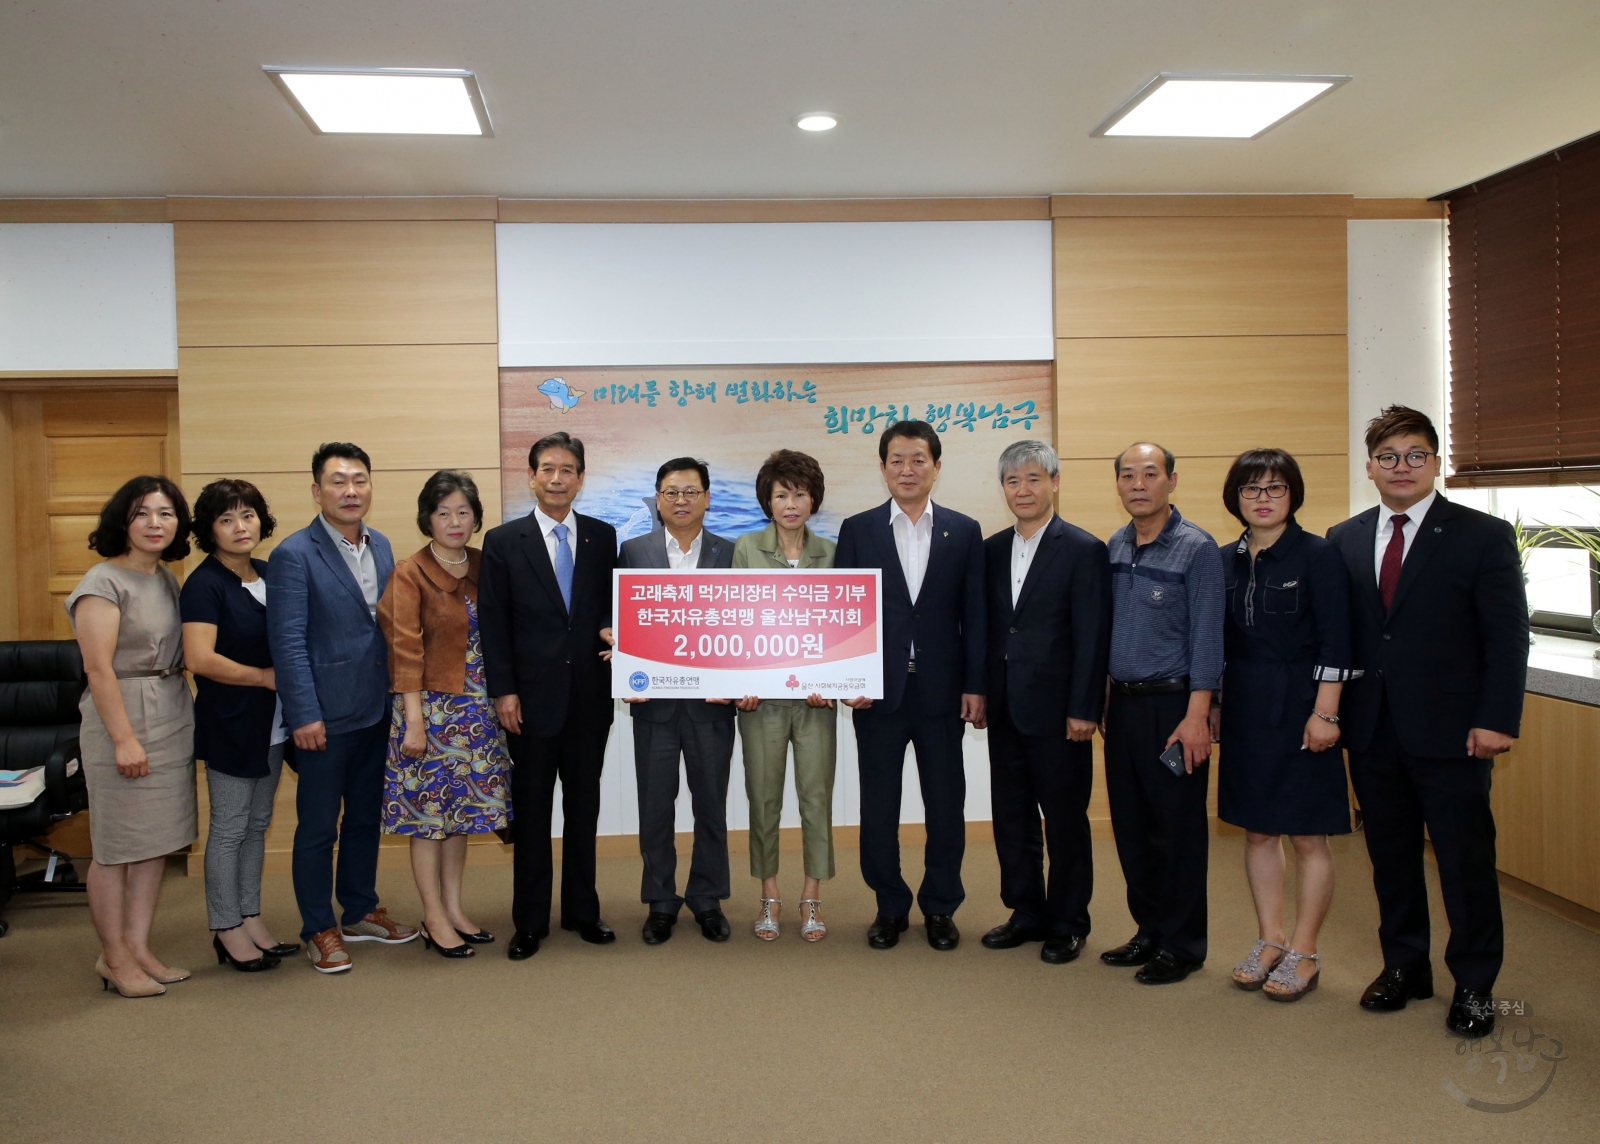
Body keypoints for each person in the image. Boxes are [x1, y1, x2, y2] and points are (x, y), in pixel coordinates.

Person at [1328, 406, 1528, 1037]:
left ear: (1436, 462)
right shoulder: (1345, 537)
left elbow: (1507, 638)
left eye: (1416, 454)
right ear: (1370, 467)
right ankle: (1405, 967)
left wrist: (1497, 718)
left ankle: (1474, 984)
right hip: (1373, 730)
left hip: (1455, 733)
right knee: (1389, 857)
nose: (1402, 467)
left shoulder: (1481, 534)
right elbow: (1344, 637)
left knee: (1465, 862)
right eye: (1388, 457)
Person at [1211, 450, 1356, 1002]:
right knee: (1257, 829)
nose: (1263, 498)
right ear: (1236, 499)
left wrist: (1326, 713)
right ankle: (1269, 939)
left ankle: (1304, 948)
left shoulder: (1318, 556)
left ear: (1292, 494)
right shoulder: (1225, 559)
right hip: (1247, 708)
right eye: (1251, 490)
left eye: (1274, 488)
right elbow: (1218, 642)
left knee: (1306, 832)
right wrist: (1217, 703)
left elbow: (1338, 639)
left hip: (1302, 707)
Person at [835, 420, 985, 952]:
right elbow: (843, 615)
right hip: (878, 693)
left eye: (918, 460)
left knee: (946, 805)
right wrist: (847, 679)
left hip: (943, 694)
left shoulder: (965, 531)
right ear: (882, 468)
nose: (907, 469)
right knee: (879, 807)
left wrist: (976, 684)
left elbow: (976, 616)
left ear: (937, 468)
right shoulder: (858, 529)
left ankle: (941, 907)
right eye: (896, 460)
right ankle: (890, 906)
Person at [268, 443, 417, 974]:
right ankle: (318, 927)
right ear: (317, 491)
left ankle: (358, 908)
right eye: (338, 481)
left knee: (364, 820)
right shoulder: (294, 553)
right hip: (323, 719)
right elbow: (287, 642)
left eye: (359, 480)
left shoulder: (381, 547)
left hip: (376, 711)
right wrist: (304, 714)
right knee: (316, 829)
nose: (350, 490)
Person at [480, 432, 618, 960]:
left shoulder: (603, 538)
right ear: (532, 476)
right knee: (533, 813)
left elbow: (613, 609)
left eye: (567, 469)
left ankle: (584, 911)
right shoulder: (503, 541)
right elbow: (493, 625)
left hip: (588, 699)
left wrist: (613, 633)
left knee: (585, 811)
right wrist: (504, 692)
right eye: (547, 469)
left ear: (581, 477)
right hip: (529, 703)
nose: (557, 478)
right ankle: (530, 920)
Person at [1099, 443, 1225, 985]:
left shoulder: (1197, 548)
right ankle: (1148, 929)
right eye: (1127, 475)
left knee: (1176, 829)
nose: (1137, 484)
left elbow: (1209, 638)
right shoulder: (1114, 545)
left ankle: (1184, 943)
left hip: (1175, 710)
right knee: (1131, 826)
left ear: (1172, 480)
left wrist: (1198, 714)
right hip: (1122, 709)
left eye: (1150, 474)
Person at [980, 440, 1110, 965]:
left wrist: (1084, 708)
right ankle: (1026, 912)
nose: (1023, 490)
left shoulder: (1083, 549)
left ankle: (1069, 921)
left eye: (1034, 479)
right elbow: (989, 631)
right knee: (1011, 817)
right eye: (1013, 481)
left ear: (1054, 483)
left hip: (1061, 716)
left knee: (1064, 820)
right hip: (1005, 709)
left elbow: (1092, 636)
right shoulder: (990, 550)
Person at [67, 475, 197, 997]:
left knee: (155, 844)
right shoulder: (102, 582)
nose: (154, 524)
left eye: (165, 514)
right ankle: (114, 958)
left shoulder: (166, 578)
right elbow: (98, 670)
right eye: (143, 513)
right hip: (121, 715)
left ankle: (139, 947)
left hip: (169, 711)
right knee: (117, 847)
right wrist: (124, 739)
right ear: (123, 520)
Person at [378, 471, 512, 959]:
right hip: (430, 713)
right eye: (443, 512)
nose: (454, 521)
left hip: (477, 712)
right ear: (427, 518)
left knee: (462, 818)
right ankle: (433, 916)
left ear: (476, 517)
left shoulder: (483, 564)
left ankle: (455, 909)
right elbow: (403, 650)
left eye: (463, 511)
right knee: (427, 819)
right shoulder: (409, 572)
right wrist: (413, 720)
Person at [616, 457, 737, 945]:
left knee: (711, 806)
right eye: (671, 492)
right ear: (657, 499)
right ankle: (661, 901)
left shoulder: (731, 554)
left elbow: (742, 629)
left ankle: (708, 899)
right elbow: (620, 621)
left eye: (690, 492)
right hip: (655, 708)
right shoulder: (633, 552)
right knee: (654, 808)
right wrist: (617, 648)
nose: (681, 501)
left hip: (712, 706)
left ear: (707, 498)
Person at [180, 478, 298, 973]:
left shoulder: (270, 572)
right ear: (210, 531)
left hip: (271, 726)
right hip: (231, 722)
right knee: (228, 830)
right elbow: (199, 658)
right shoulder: (203, 583)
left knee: (257, 826)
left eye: (247, 515)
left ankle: (249, 916)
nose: (239, 526)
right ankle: (225, 926)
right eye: (226, 519)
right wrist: (265, 677)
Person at [731, 449, 839, 941]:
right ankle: (770, 894)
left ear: (813, 498)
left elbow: (844, 628)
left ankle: (812, 896)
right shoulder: (746, 548)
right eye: (780, 495)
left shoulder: (834, 552)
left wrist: (835, 683)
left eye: (799, 493)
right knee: (764, 799)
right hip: (762, 703)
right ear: (767, 501)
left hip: (816, 701)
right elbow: (735, 621)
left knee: (816, 798)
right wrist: (741, 686)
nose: (790, 504)